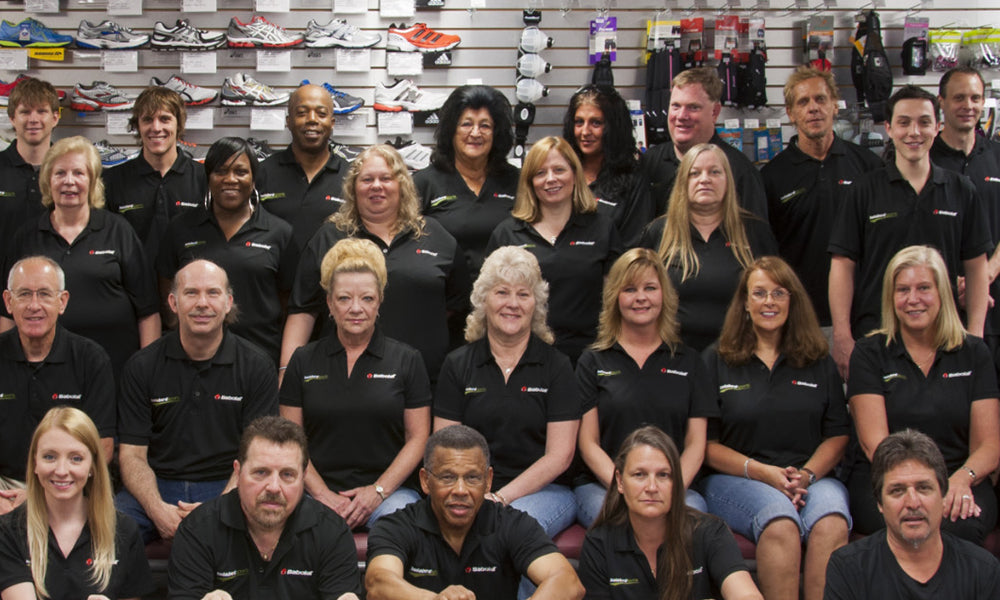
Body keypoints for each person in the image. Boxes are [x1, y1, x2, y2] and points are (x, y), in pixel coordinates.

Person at [700, 256, 850, 600]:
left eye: (779, 293)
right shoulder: (716, 360)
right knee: (780, 520)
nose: (769, 302)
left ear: (792, 301)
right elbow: (706, 444)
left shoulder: (817, 359)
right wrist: (766, 474)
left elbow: (838, 433)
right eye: (760, 293)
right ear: (745, 303)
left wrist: (808, 475)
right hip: (739, 478)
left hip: (811, 476)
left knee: (832, 520)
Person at [828, 85, 992, 379]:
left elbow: (977, 267)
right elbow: (842, 266)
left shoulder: (961, 190)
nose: (914, 132)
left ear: (938, 127)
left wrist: (976, 336)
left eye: (924, 122)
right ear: (889, 128)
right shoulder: (863, 191)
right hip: (877, 337)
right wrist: (841, 335)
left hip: (946, 340)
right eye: (904, 122)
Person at [116, 259, 278, 543]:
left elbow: (257, 456)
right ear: (173, 302)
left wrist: (218, 508)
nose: (202, 303)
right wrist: (157, 510)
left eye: (213, 293)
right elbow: (131, 455)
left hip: (229, 484)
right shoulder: (141, 366)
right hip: (157, 485)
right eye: (191, 293)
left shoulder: (256, 366)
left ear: (228, 302)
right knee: (109, 526)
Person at [846, 245, 1000, 544]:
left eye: (924, 288)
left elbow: (990, 445)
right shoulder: (869, 353)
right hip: (888, 478)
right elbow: (874, 444)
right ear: (890, 297)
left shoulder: (973, 352)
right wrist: (921, 490)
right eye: (902, 289)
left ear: (942, 293)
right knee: (908, 523)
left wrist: (961, 479)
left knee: (960, 527)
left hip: (960, 476)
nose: (913, 299)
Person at [281, 144, 467, 383]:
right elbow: (302, 312)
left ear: (402, 185)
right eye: (367, 179)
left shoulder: (436, 235)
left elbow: (455, 306)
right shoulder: (330, 237)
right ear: (353, 188)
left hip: (424, 381)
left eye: (386, 178)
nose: (376, 186)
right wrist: (286, 375)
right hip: (341, 381)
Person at [280, 238, 430, 530]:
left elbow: (418, 439)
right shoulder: (303, 360)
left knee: (404, 525)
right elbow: (290, 440)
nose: (356, 308)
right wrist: (322, 494)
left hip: (390, 495)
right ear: (329, 304)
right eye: (344, 298)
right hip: (316, 493)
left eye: (367, 299)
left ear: (380, 302)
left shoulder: (407, 360)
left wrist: (377, 492)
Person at [434, 246, 580, 538]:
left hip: (545, 491)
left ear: (535, 304)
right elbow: (446, 449)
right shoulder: (457, 364)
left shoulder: (557, 366)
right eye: (502, 292)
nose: (512, 303)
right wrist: (476, 494)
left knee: (516, 530)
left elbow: (560, 456)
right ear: (483, 300)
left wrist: (501, 498)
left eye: (523, 295)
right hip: (470, 489)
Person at [575, 248, 715, 526]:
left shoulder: (690, 362)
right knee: (622, 521)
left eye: (650, 288)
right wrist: (626, 488)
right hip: (603, 486)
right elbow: (588, 443)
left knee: (685, 523)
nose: (641, 297)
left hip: (673, 487)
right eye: (629, 289)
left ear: (664, 295)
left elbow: (696, 444)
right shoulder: (592, 361)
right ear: (615, 297)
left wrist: (669, 490)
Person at [1, 136, 160, 379]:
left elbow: (148, 312)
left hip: (115, 372)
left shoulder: (119, 231)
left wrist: (147, 372)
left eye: (79, 173)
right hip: (42, 375)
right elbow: (6, 313)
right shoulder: (27, 237)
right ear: (48, 181)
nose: (69, 181)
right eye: (60, 173)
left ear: (93, 181)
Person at [366, 424, 584, 600]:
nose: (461, 490)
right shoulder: (397, 525)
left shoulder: (511, 523)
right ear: (425, 481)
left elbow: (567, 582)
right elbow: (378, 583)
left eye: (472, 478)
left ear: (488, 481)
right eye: (447, 477)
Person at [167, 416, 362, 600]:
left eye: (287, 474)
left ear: (303, 478)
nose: (274, 487)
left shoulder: (331, 532)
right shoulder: (198, 530)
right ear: (238, 472)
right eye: (261, 472)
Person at [157, 136, 298, 365]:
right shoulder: (181, 229)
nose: (230, 179)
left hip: (260, 359)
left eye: (240, 172)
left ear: (254, 179)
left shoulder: (279, 232)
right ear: (208, 178)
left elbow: (287, 302)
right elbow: (166, 290)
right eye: (220, 171)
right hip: (193, 358)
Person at [578, 426, 763, 600]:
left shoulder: (711, 532)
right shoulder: (599, 543)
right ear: (619, 481)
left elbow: (746, 594)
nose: (651, 487)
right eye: (639, 475)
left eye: (663, 475)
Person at [762, 67, 882, 328]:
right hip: (801, 318)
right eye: (803, 102)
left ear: (835, 106)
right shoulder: (772, 176)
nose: (813, 108)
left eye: (820, 99)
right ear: (791, 114)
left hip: (864, 315)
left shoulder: (869, 167)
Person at [487, 136, 622, 364]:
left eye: (559, 170)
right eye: (540, 173)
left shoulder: (602, 229)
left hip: (589, 356)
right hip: (524, 358)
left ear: (574, 174)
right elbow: (490, 302)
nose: (550, 179)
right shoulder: (507, 234)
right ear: (529, 182)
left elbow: (616, 299)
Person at [825, 429, 1000, 599]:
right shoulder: (848, 567)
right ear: (879, 503)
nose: (913, 503)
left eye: (924, 488)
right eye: (897, 491)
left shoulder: (982, 569)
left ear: (943, 495)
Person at [0, 257, 115, 515]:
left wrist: (40, 494)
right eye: (24, 295)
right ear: (8, 302)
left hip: (68, 481)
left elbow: (103, 447)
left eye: (44, 294)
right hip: (4, 485)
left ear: (62, 302)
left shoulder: (91, 359)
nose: (34, 305)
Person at [0, 407, 152, 600]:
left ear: (92, 467)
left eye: (76, 459)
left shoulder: (123, 530)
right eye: (49, 457)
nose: (62, 470)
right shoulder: (9, 531)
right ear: (35, 463)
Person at [639, 143, 778, 351]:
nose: (705, 179)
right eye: (695, 173)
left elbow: (776, 297)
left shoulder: (755, 232)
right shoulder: (658, 232)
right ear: (682, 182)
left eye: (714, 172)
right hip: (672, 356)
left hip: (740, 355)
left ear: (728, 180)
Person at [415, 84, 519, 278]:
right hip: (447, 302)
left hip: (505, 300)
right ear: (451, 131)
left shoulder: (517, 182)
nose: (475, 133)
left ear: (496, 133)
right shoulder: (424, 183)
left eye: (485, 125)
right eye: (466, 124)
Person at [930, 67, 1000, 354]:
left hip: (995, 298)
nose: (968, 106)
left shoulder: (997, 155)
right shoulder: (924, 158)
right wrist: (956, 283)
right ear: (941, 102)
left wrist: (984, 275)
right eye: (959, 98)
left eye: (975, 98)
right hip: (940, 300)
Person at [640, 67, 768, 219]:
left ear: (715, 112)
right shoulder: (649, 163)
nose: (681, 116)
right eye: (676, 106)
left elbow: (755, 238)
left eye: (693, 107)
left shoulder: (739, 171)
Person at [103, 86, 206, 258]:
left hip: (189, 282)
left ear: (179, 124)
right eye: (148, 119)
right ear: (137, 126)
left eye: (165, 119)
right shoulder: (111, 180)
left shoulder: (204, 178)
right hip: (131, 284)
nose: (156, 128)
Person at [257, 83, 351, 251]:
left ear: (332, 122)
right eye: (302, 113)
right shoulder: (262, 173)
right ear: (288, 121)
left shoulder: (351, 177)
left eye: (321, 114)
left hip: (332, 277)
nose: (312, 119)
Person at [562, 84, 653, 246]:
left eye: (596, 123)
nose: (585, 131)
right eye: (579, 122)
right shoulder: (561, 173)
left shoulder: (632, 180)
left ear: (614, 127)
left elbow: (633, 246)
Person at [0, 77, 59, 250]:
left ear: (55, 118)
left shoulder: (71, 173)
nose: (33, 119)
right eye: (25, 112)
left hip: (56, 276)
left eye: (41, 111)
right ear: (12, 118)